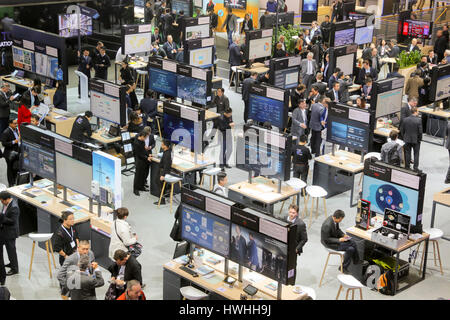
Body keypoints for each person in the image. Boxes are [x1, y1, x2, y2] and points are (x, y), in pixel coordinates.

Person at [0, 191, 20, 283]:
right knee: (9, 250)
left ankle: (15, 269)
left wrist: (2, 218)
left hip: (11, 232)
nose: (1, 202)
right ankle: (12, 263)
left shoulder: (14, 208)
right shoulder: (6, 204)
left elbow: (12, 221)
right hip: (5, 230)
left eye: (2, 201)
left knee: (11, 250)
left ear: (7, 199)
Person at [150, 139, 172, 205]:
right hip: (162, 170)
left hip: (163, 172)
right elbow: (161, 155)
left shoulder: (167, 154)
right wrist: (153, 155)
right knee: (158, 183)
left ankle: (162, 200)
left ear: (165, 146)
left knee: (160, 185)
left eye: (162, 144)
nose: (161, 145)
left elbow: (166, 166)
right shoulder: (167, 151)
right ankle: (162, 197)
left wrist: (163, 175)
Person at [401, 107, 422, 171]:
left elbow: (402, 130)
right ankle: (415, 168)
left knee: (407, 153)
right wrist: (419, 139)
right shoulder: (419, 120)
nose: (418, 112)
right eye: (417, 111)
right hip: (416, 140)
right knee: (416, 154)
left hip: (407, 139)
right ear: (415, 112)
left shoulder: (405, 119)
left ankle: (407, 167)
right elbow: (420, 132)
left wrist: (404, 137)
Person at [1, 119, 20, 187]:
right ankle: (11, 184)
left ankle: (15, 181)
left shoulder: (16, 130)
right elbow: (3, 143)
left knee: (15, 167)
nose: (16, 125)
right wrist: (13, 142)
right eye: (14, 123)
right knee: (10, 170)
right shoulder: (6, 132)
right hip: (9, 154)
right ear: (10, 124)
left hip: (16, 152)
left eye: (16, 123)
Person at [133, 131, 152, 195]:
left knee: (143, 175)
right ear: (142, 136)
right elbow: (139, 154)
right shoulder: (136, 143)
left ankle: (141, 186)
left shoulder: (142, 141)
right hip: (139, 161)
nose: (146, 139)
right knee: (138, 175)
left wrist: (148, 154)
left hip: (144, 160)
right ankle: (135, 189)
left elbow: (144, 150)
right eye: (145, 137)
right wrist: (147, 158)